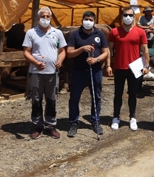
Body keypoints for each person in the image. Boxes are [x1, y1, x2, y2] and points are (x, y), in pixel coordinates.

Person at [22, 7, 67, 139]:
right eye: (43, 16)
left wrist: (60, 60)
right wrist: (36, 63)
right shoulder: (31, 33)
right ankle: (37, 125)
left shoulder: (57, 33)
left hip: (52, 72)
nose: (45, 19)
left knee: (51, 99)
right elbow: (26, 51)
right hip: (36, 72)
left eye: (48, 16)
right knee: (36, 99)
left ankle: (50, 125)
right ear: (38, 18)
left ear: (51, 18)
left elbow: (63, 50)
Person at [66, 11, 110, 137]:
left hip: (95, 71)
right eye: (86, 19)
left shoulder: (99, 34)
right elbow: (69, 53)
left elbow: (105, 52)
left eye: (90, 19)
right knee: (74, 98)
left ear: (94, 21)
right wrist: (81, 49)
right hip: (78, 71)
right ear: (82, 20)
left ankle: (95, 121)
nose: (88, 21)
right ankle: (74, 123)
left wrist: (96, 59)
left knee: (96, 97)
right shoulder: (75, 34)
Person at [107, 7, 150, 131]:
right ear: (122, 16)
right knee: (118, 94)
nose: (128, 17)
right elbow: (109, 50)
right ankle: (116, 117)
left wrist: (146, 66)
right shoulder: (114, 32)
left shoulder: (140, 32)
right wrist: (108, 65)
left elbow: (145, 50)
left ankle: (132, 117)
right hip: (119, 67)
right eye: (125, 15)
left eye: (130, 15)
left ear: (134, 17)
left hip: (134, 68)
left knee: (132, 94)